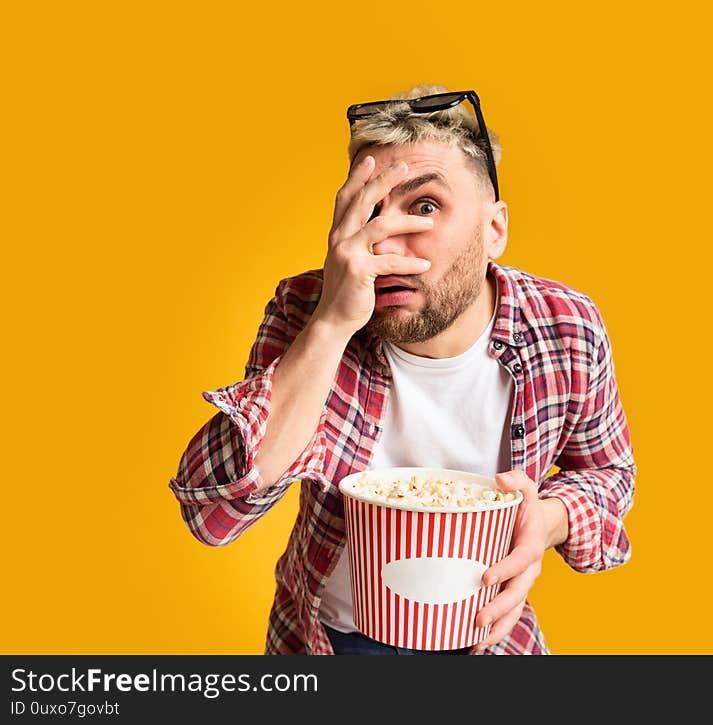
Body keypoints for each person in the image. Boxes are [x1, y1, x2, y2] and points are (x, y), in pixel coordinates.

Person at [168, 84, 636, 655]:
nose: (385, 238)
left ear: (495, 231)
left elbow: (610, 476)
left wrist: (551, 518)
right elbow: (213, 513)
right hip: (324, 640)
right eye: (370, 210)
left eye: (425, 206)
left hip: (489, 638)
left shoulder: (566, 328)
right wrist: (332, 323)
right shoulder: (307, 309)